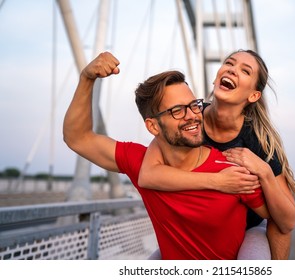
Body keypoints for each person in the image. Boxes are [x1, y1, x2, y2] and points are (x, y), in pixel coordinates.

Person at [63, 51, 270, 259]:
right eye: (177, 110)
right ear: (153, 126)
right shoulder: (141, 163)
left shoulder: (232, 170)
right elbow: (78, 138)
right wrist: (86, 78)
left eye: (193, 106)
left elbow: (280, 221)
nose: (192, 116)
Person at [138, 49, 295, 259]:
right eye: (229, 63)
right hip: (201, 229)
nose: (233, 70)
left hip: (247, 228)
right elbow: (149, 175)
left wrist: (264, 170)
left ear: (253, 95)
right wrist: (219, 181)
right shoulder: (190, 119)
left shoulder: (258, 139)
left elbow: (286, 223)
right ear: (216, 78)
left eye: (245, 71)